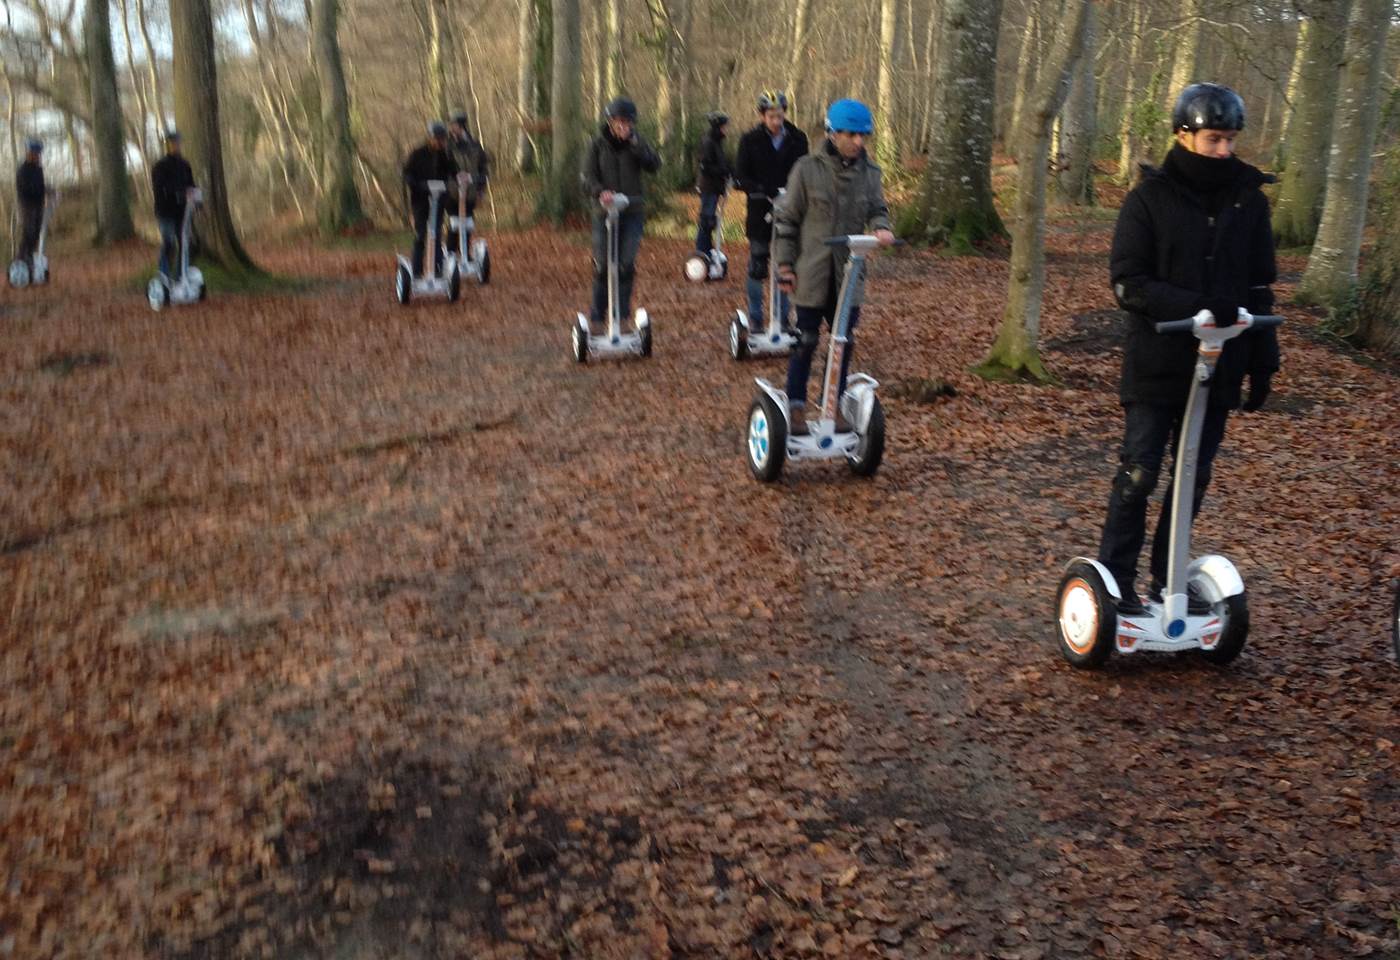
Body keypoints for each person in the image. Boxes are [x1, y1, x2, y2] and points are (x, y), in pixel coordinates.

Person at [1098, 82, 1280, 614]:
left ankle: (1168, 581)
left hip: (1220, 363)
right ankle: (1115, 582)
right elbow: (1128, 281)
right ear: (1183, 135)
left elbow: (1258, 286)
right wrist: (1195, 306)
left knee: (1191, 477)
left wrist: (1265, 360)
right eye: (1214, 140)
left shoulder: (1249, 199)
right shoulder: (1148, 199)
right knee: (1140, 472)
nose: (1225, 151)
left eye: (1230, 140)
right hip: (1158, 362)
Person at [773, 98, 894, 435]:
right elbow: (786, 221)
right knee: (806, 340)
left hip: (849, 275)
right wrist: (785, 266)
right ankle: (795, 406)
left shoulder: (870, 174)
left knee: (842, 341)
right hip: (812, 272)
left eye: (863, 136)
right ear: (833, 133)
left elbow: (878, 208)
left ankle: (835, 407)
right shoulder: (807, 169)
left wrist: (882, 227)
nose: (858, 142)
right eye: (852, 135)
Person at [580, 97, 661, 329]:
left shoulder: (637, 143)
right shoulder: (597, 145)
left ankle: (623, 316)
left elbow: (654, 165)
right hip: (603, 213)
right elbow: (587, 178)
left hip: (632, 211)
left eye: (627, 123)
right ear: (610, 121)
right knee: (603, 265)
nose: (623, 126)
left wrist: (636, 145)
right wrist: (600, 191)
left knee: (626, 265)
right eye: (619, 122)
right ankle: (597, 318)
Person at [734, 90, 808, 331]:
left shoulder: (798, 139)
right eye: (771, 116)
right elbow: (740, 175)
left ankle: (783, 318)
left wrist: (792, 191)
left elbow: (804, 171)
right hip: (760, 210)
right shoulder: (749, 140)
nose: (776, 121)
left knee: (785, 265)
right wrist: (759, 188)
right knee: (758, 264)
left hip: (789, 211)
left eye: (780, 116)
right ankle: (755, 317)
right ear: (762, 116)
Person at [402, 122, 462, 278]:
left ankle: (437, 269)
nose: (441, 142)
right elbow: (407, 174)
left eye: (442, 139)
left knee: (435, 235)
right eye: (438, 139)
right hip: (420, 201)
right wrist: (418, 185)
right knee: (421, 235)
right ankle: (416, 271)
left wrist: (458, 178)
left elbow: (453, 171)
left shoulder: (445, 155)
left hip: (438, 200)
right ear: (430, 138)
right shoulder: (417, 154)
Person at [150, 131, 196, 278]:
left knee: (185, 243)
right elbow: (160, 188)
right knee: (169, 242)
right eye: (173, 143)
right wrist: (177, 193)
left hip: (182, 212)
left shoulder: (185, 165)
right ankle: (164, 275)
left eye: (178, 143)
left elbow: (191, 186)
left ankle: (181, 276)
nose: (176, 146)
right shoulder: (160, 166)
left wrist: (196, 197)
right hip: (165, 212)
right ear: (167, 145)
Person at [446, 111, 490, 252]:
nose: (451, 128)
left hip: (470, 192)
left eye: (454, 125)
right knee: (454, 225)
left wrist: (481, 190)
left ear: (461, 126)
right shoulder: (447, 146)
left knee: (467, 225)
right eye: (451, 125)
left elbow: (483, 169)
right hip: (452, 193)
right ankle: (451, 255)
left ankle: (466, 254)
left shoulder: (475, 146)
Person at [694, 111, 732, 262]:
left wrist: (729, 170)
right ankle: (702, 252)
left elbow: (720, 163)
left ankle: (706, 250)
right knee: (707, 219)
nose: (726, 129)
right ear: (718, 126)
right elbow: (705, 166)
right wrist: (723, 171)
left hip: (715, 188)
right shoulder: (708, 142)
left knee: (711, 220)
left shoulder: (716, 142)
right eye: (724, 127)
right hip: (708, 187)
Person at [14, 139, 51, 272]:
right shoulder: (22, 170)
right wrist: (41, 191)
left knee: (36, 233)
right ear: (29, 153)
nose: (38, 156)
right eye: (36, 153)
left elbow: (41, 186)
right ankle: (20, 260)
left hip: (38, 205)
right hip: (27, 206)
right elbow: (26, 189)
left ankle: (29, 258)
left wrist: (50, 190)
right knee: (28, 232)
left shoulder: (38, 169)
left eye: (39, 154)